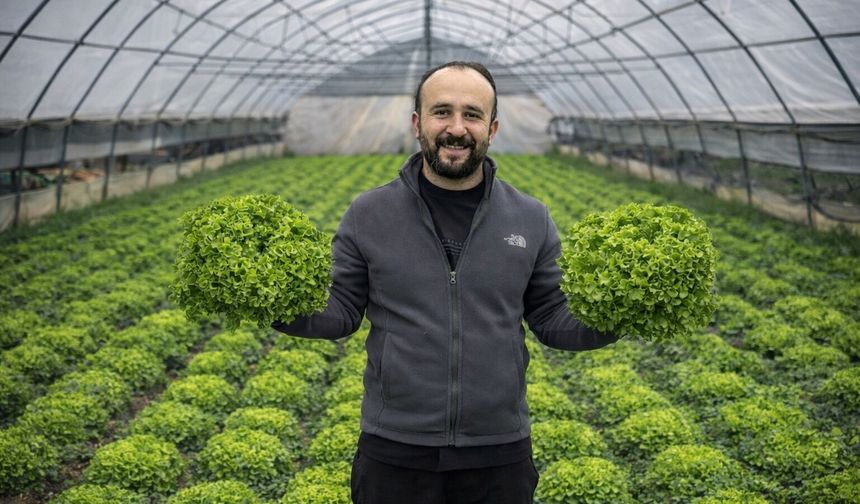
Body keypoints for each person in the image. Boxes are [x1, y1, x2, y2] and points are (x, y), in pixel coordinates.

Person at [273, 61, 618, 504]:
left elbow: (552, 318)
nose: (456, 128)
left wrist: (620, 314)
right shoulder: (369, 213)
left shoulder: (530, 217)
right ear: (418, 123)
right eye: (442, 112)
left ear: (492, 129)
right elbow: (339, 311)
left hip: (498, 451)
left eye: (472, 115)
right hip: (395, 449)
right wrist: (273, 303)